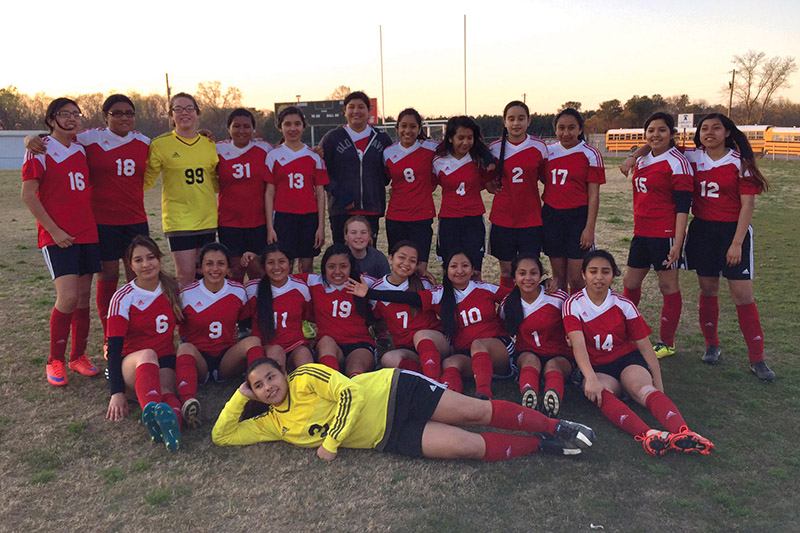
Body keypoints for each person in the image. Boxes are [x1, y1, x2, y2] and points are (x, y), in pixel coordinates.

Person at [213, 358, 597, 461]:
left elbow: (351, 395)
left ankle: (555, 424)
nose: (269, 387)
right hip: (388, 436)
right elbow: (223, 435)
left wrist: (331, 442)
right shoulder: (271, 424)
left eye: (270, 377)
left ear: (283, 371)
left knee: (473, 413)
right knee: (468, 448)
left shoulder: (305, 378)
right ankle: (541, 445)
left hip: (395, 390)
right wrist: (241, 396)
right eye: (260, 386)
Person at [25, 94, 151, 353]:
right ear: (105, 116)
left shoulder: (145, 142)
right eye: (117, 113)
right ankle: (109, 337)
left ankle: (138, 335)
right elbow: (54, 137)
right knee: (108, 278)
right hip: (101, 223)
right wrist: (30, 138)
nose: (124, 117)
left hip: (135, 220)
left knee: (137, 279)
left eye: (129, 112)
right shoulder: (89, 139)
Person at [564, 250, 714, 456]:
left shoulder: (624, 304)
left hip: (626, 360)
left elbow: (645, 348)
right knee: (602, 393)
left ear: (613, 275)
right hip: (597, 366)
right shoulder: (572, 304)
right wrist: (589, 378)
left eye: (605, 272)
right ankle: (648, 435)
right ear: (583, 274)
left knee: (643, 389)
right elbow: (579, 346)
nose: (599, 277)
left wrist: (658, 383)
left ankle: (683, 433)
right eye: (593, 271)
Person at [682, 114, 775, 381]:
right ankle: (712, 345)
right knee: (708, 289)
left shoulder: (740, 163)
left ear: (727, 133)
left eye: (716, 128)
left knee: (743, 295)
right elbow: (658, 142)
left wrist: (736, 243)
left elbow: (747, 206)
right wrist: (634, 155)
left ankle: (757, 358)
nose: (709, 132)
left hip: (732, 231)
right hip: (702, 230)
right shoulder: (691, 157)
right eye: (704, 129)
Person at [348, 251, 512, 399]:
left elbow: (517, 299)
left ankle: (484, 395)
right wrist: (370, 294)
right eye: (454, 266)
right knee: (450, 364)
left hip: (497, 352)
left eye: (465, 266)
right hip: (466, 355)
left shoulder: (486, 288)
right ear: (446, 270)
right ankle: (444, 396)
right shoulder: (440, 294)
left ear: (472, 269)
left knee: (478, 343)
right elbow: (407, 298)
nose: (460, 270)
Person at [21, 97, 102, 386]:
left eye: (75, 114)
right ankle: (54, 360)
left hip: (87, 233)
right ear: (51, 118)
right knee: (66, 298)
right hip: (58, 236)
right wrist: (54, 231)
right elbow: (28, 195)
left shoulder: (81, 148)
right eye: (64, 114)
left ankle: (77, 356)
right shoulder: (40, 149)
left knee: (82, 299)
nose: (71, 118)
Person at [622, 112, 693, 358]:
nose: (655, 135)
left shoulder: (677, 161)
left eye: (662, 130)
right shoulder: (643, 159)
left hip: (665, 234)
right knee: (630, 284)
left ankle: (667, 342)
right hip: (641, 232)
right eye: (651, 130)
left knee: (667, 286)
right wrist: (633, 155)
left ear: (672, 134)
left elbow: (684, 206)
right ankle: (625, 333)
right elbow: (647, 148)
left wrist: (678, 242)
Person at [104, 236, 184, 451]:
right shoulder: (122, 297)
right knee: (148, 353)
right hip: (132, 364)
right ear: (130, 265)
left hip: (164, 357)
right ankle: (152, 410)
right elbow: (114, 348)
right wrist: (116, 392)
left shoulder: (173, 289)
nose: (146, 264)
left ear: (159, 259)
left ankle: (174, 423)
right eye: (138, 260)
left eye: (151, 258)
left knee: (168, 390)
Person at [176, 243, 265, 427]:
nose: (215, 269)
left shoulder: (238, 290)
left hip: (226, 359)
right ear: (200, 267)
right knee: (184, 347)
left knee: (253, 341)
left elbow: (245, 320)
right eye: (209, 264)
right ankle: (188, 402)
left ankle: (258, 394)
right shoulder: (186, 293)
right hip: (199, 360)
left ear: (228, 267)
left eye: (220, 264)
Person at [144, 92, 219, 287]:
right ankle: (182, 316)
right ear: (171, 115)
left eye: (189, 109)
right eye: (178, 109)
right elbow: (146, 181)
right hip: (179, 220)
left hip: (207, 218)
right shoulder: (160, 145)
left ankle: (205, 316)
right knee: (185, 276)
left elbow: (216, 182)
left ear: (197, 113)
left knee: (206, 275)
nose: (184, 113)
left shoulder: (209, 144)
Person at [500, 255, 572, 416]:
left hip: (559, 355)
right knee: (529, 361)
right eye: (522, 273)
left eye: (533, 273)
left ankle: (552, 399)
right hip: (527, 353)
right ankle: (528, 395)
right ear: (514, 277)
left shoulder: (558, 298)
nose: (528, 278)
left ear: (541, 275)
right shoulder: (509, 304)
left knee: (553, 366)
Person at [542, 108, 605, 294]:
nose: (566, 133)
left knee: (576, 278)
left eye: (571, 128)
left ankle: (578, 315)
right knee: (558, 277)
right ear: (555, 130)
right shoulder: (547, 151)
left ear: (580, 129)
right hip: (552, 216)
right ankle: (562, 317)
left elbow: (594, 195)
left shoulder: (590, 153)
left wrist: (589, 228)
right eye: (561, 128)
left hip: (578, 217)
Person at [487, 101, 548, 289]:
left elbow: (547, 178)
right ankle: (507, 310)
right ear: (504, 121)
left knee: (529, 269)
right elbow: (486, 181)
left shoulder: (539, 146)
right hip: (503, 218)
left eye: (521, 118)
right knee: (506, 271)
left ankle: (529, 308)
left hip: (530, 219)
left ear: (528, 121)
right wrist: (489, 184)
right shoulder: (495, 148)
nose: (516, 123)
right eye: (511, 119)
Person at [320, 91, 392, 246]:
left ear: (369, 111)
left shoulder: (382, 138)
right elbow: (322, 173)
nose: (356, 111)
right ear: (345, 111)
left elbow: (387, 175)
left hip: (371, 208)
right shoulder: (332, 138)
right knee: (343, 256)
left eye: (361, 107)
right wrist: (339, 193)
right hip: (341, 209)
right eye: (351, 107)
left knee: (367, 255)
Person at [369, 241, 449, 380]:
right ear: (391, 258)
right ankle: (428, 371)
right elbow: (377, 320)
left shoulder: (424, 283)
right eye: (401, 257)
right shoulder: (377, 289)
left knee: (421, 335)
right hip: (407, 348)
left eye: (412, 261)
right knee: (388, 359)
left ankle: (433, 383)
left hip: (435, 342)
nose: (406, 263)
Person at [266, 106, 327, 273]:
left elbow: (321, 193)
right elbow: (269, 192)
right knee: (285, 263)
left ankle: (305, 298)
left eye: (297, 124)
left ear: (304, 127)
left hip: (309, 216)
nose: (293, 129)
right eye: (287, 124)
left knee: (306, 265)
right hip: (283, 216)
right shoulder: (273, 156)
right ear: (280, 127)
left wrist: (321, 226)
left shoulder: (314, 157)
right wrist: (270, 227)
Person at [434, 117, 495, 280]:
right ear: (450, 138)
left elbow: (490, 185)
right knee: (450, 270)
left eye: (470, 137)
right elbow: (428, 185)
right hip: (449, 221)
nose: (466, 142)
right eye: (460, 138)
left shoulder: (479, 159)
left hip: (473, 220)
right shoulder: (438, 160)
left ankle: (475, 305)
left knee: (474, 271)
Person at [302, 244, 377, 376]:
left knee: (356, 368)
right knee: (326, 341)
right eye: (331, 266)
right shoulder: (313, 281)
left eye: (343, 266)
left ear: (351, 267)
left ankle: (353, 388)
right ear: (324, 267)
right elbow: (280, 279)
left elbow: (392, 288)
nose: (337, 271)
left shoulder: (364, 283)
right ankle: (331, 383)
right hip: (329, 345)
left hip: (359, 343)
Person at [216, 108, 273, 283]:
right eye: (237, 126)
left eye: (247, 126)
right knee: (234, 272)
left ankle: (258, 308)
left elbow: (286, 155)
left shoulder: (265, 149)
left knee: (258, 272)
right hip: (229, 221)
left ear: (253, 129)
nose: (242, 131)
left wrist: (315, 153)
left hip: (258, 221)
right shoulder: (217, 149)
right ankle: (236, 307)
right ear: (229, 128)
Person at [383, 108, 439, 280]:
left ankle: (418, 303)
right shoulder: (388, 152)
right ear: (397, 128)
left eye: (413, 126)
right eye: (404, 126)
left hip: (421, 216)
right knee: (399, 266)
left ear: (419, 129)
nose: (408, 131)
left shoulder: (432, 148)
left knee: (419, 267)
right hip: (396, 216)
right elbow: (388, 178)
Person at [246, 243, 315, 371]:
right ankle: (280, 384)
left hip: (295, 345)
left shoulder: (300, 288)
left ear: (290, 263)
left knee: (305, 359)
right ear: (264, 266)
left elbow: (307, 314)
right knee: (276, 352)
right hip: (267, 348)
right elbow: (242, 316)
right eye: (271, 262)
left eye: (281, 261)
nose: (276, 267)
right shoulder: (252, 289)